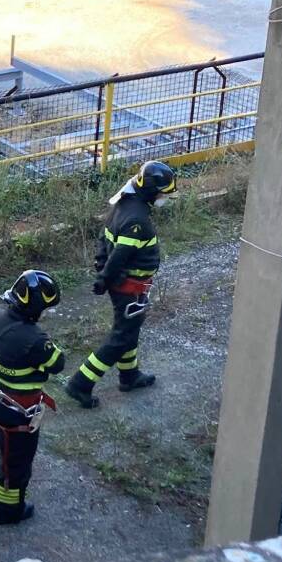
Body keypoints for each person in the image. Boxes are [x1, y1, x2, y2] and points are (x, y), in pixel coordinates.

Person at [65, 160, 177, 409]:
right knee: (121, 338)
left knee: (130, 330)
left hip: (125, 284)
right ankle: (80, 383)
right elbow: (121, 255)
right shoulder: (138, 219)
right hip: (129, 287)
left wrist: (101, 267)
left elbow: (104, 237)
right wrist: (105, 277)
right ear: (150, 191)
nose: (163, 198)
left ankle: (129, 375)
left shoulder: (124, 203)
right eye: (162, 193)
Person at [0, 270, 65, 525]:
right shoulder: (35, 339)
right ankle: (8, 512)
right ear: (35, 308)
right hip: (16, 412)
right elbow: (58, 363)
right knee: (16, 464)